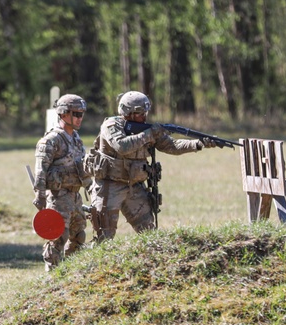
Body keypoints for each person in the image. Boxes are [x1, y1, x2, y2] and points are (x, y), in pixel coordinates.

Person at [86, 91, 215, 241]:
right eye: (140, 113)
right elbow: (122, 146)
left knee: (149, 234)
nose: (145, 116)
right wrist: (149, 134)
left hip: (134, 187)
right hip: (109, 187)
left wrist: (198, 144)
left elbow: (172, 146)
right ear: (129, 112)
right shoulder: (111, 125)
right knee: (104, 237)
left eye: (145, 112)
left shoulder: (146, 129)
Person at [32, 94, 89, 271]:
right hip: (58, 197)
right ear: (63, 114)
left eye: (82, 114)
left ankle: (72, 273)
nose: (80, 118)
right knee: (57, 237)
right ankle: (52, 275)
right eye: (76, 114)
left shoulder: (76, 139)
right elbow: (40, 171)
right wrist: (40, 196)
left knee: (79, 236)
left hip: (75, 196)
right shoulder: (51, 141)